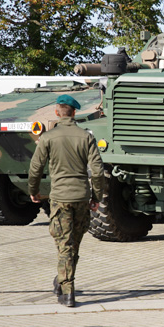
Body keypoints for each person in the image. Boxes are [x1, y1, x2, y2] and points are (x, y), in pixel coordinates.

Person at [28, 94, 104, 308]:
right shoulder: (86, 137)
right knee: (73, 245)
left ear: (56, 112)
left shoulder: (48, 137)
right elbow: (97, 171)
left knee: (64, 245)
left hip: (60, 198)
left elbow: (35, 168)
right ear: (74, 112)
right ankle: (61, 281)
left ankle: (67, 291)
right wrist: (96, 196)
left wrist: (33, 191)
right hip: (81, 197)